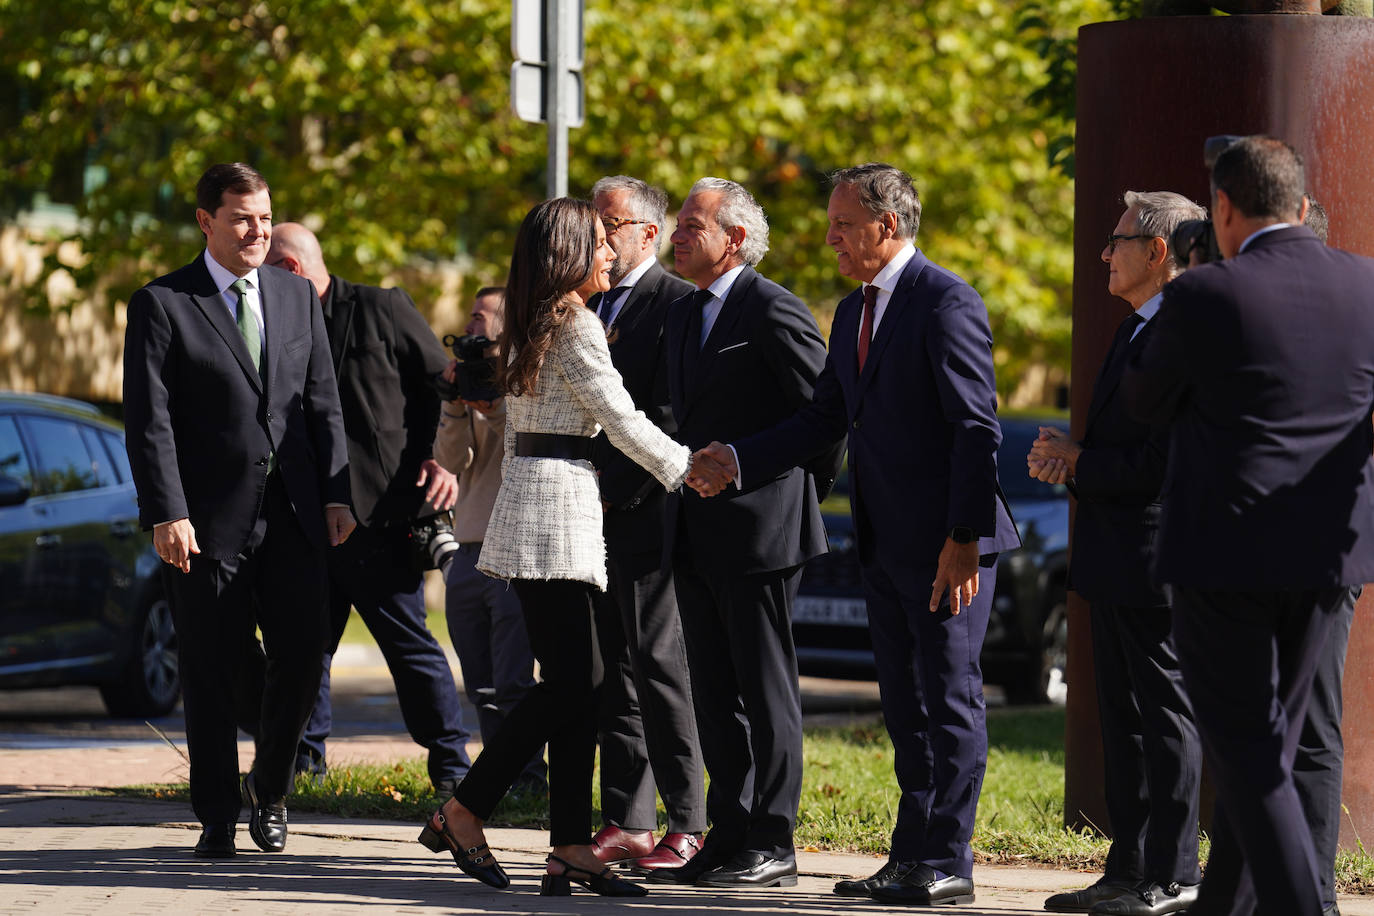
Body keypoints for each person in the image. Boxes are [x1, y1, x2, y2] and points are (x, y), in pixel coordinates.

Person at [695, 163, 1019, 905]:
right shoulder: (852, 310)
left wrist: (963, 534)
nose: (831, 236)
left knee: (949, 702)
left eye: (844, 224)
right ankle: (911, 856)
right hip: (885, 543)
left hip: (949, 547)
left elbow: (976, 428)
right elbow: (822, 420)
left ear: (888, 226)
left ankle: (948, 861)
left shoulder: (947, 302)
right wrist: (739, 457)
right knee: (905, 709)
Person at [414, 198, 724, 898]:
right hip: (556, 518)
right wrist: (688, 469)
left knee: (576, 688)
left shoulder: (534, 319)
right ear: (569, 255)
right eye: (598, 244)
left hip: (542, 507)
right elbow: (620, 417)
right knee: (574, 686)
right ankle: (465, 810)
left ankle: (568, 848)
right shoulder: (576, 324)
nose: (610, 253)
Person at [1122, 136, 1374, 915]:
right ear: (1301, 207)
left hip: (1223, 559)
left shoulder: (1205, 295)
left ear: (1223, 210)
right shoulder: (1367, 285)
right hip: (1331, 558)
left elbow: (1145, 404)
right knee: (1273, 746)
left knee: (1251, 756)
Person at [122, 163, 354, 858]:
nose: (257, 231)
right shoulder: (163, 303)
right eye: (241, 218)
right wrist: (168, 511)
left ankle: (272, 791)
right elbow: (149, 421)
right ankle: (218, 813)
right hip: (204, 521)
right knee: (211, 666)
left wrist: (337, 495)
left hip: (294, 514)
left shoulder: (293, 294)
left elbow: (322, 402)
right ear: (205, 222)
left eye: (264, 216)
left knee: (301, 661)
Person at [651, 177, 841, 890]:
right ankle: (727, 833)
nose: (676, 236)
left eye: (691, 226)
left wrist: (781, 492)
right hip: (693, 530)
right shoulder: (682, 313)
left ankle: (774, 837)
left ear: (733, 239)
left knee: (765, 693)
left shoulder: (773, 308)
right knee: (714, 692)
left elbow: (823, 420)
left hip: (761, 531)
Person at [1032, 192, 1205, 916]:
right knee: (1123, 718)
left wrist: (1080, 462)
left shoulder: (1184, 335)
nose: (1104, 254)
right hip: (1112, 556)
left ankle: (1175, 873)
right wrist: (1072, 460)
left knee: (1166, 715)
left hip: (1155, 558)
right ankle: (1129, 868)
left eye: (1118, 240)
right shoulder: (1134, 328)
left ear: (1158, 250)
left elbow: (1168, 462)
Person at [262, 223, 472, 797]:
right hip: (306, 516)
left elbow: (442, 384)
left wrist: (440, 458)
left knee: (409, 645)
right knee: (305, 647)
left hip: (380, 516)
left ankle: (451, 766)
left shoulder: (382, 307)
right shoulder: (274, 324)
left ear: (291, 269)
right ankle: (303, 766)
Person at [583, 176, 706, 870]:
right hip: (587, 518)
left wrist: (614, 488)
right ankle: (625, 817)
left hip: (649, 514)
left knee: (660, 669)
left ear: (648, 233)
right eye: (594, 220)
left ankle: (687, 820)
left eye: (611, 222)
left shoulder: (676, 304)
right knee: (612, 675)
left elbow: (666, 417)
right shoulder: (588, 298)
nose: (599, 234)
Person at [433, 287, 547, 796]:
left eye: (481, 318)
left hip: (514, 545)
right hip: (468, 546)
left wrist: (496, 403)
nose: (473, 327)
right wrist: (458, 406)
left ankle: (528, 777)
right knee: (480, 682)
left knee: (514, 681)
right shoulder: (470, 374)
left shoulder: (530, 373)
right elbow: (452, 462)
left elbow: (526, 443)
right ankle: (495, 784)